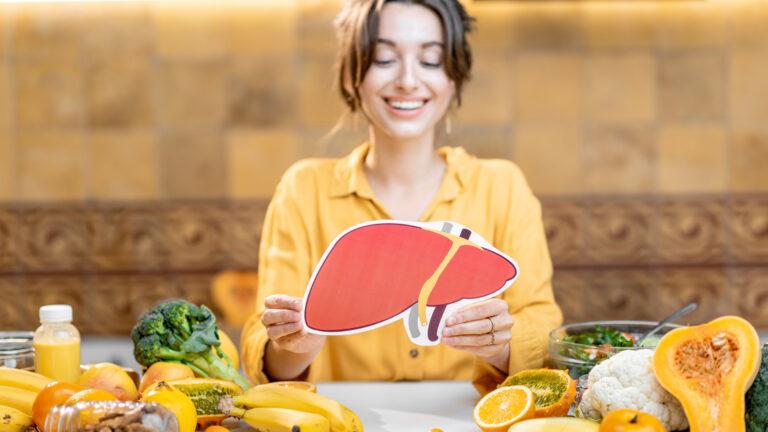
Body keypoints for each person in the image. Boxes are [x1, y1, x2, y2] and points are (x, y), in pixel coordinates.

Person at [241, 0, 562, 395]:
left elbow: (542, 324)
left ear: (455, 78)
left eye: (430, 60)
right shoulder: (303, 189)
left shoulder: (503, 187)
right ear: (349, 75)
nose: (408, 81)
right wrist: (295, 345)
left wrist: (501, 345)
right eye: (383, 58)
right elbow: (266, 356)